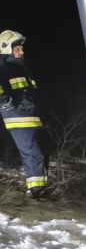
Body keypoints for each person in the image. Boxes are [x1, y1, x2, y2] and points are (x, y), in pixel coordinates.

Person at [0, 30, 48, 198]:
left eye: (22, 48)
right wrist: (5, 101)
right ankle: (36, 190)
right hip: (19, 117)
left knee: (37, 151)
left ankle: (39, 187)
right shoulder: (3, 67)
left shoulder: (19, 67)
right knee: (31, 151)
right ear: (6, 49)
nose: (22, 51)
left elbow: (33, 92)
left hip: (31, 115)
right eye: (17, 49)